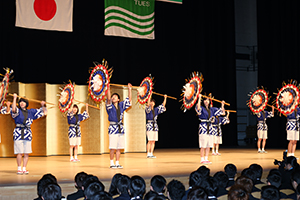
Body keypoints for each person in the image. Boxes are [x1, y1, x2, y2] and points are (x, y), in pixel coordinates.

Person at [11, 93, 47, 174]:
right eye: (20, 102)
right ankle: (19, 168)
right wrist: (14, 98)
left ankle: (24, 168)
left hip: (27, 133)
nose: (22, 103)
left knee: (26, 152)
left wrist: (43, 105)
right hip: (18, 132)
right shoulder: (17, 111)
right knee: (19, 152)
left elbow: (44, 113)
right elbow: (13, 109)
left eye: (23, 102)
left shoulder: (31, 112)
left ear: (26, 103)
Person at [106, 83, 132, 169]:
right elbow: (108, 99)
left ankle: (117, 163)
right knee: (113, 147)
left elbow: (129, 100)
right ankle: (111, 162)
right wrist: (108, 88)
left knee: (119, 147)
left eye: (115, 96)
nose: (113, 97)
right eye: (112, 96)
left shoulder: (121, 105)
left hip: (120, 128)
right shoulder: (110, 106)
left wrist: (129, 89)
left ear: (118, 99)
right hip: (113, 128)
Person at [195, 94, 225, 164]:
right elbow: (198, 108)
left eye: (207, 100)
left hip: (210, 128)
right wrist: (199, 98)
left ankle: (206, 158)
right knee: (203, 145)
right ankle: (202, 159)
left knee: (208, 145)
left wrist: (222, 105)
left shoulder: (211, 109)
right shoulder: (202, 108)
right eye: (205, 100)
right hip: (203, 127)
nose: (206, 101)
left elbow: (222, 113)